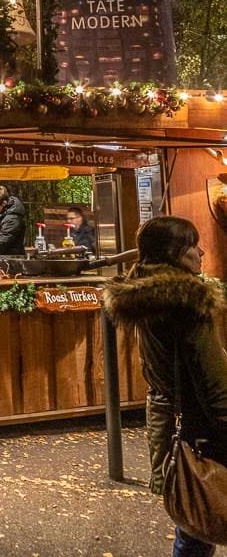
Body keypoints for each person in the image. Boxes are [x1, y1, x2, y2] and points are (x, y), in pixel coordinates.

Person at [103, 217, 227, 557]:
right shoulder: (186, 303)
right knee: (205, 510)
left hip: (173, 420)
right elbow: (213, 381)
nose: (201, 251)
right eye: (194, 244)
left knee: (195, 515)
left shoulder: (147, 296)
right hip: (206, 424)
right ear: (175, 253)